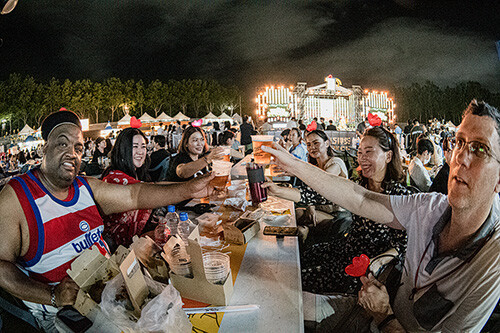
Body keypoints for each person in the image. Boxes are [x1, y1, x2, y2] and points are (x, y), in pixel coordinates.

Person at [262, 100, 500, 332]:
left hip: (379, 311)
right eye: (459, 142)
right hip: (367, 308)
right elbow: (361, 198)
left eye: (480, 149)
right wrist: (293, 164)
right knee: (276, 299)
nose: (461, 157)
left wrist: (384, 315)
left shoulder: (491, 261)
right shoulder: (428, 207)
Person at [0, 109, 214, 331]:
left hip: (112, 295)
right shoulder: (17, 197)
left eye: (78, 148)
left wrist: (190, 189)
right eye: (62, 144)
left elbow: (135, 195)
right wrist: (52, 295)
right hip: (63, 315)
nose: (72, 153)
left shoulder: (85, 187)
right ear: (44, 148)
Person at [298, 127, 413, 294]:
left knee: (301, 278)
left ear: (388, 156)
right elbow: (319, 195)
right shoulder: (359, 185)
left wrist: (377, 262)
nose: (362, 158)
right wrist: (276, 190)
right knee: (299, 258)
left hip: (364, 269)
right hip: (345, 249)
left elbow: (404, 245)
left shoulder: (400, 196)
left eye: (368, 152)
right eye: (359, 152)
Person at [100, 128, 152, 249]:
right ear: (124, 150)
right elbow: (147, 192)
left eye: (143, 146)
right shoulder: (114, 178)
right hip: (116, 250)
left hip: (134, 245)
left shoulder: (139, 174)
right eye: (135, 147)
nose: (140, 151)